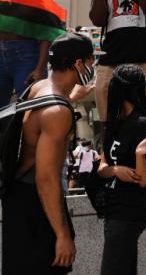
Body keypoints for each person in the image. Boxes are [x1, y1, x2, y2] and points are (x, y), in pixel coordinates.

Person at [2, 32, 95, 273]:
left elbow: (50, 112)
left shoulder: (39, 87)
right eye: (90, 60)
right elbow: (46, 178)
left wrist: (71, 99)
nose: (92, 66)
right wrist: (62, 234)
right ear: (78, 63)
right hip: (36, 204)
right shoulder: (58, 112)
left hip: (16, 197)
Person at [96, 64, 146, 275]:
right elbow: (102, 167)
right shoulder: (115, 124)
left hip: (130, 211)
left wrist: (140, 153)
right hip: (113, 209)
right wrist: (115, 170)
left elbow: (143, 179)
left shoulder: (142, 124)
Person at [0, 0, 53, 106]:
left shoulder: (43, 0)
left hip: (27, 58)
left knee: (27, 108)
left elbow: (46, 37)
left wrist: (39, 69)